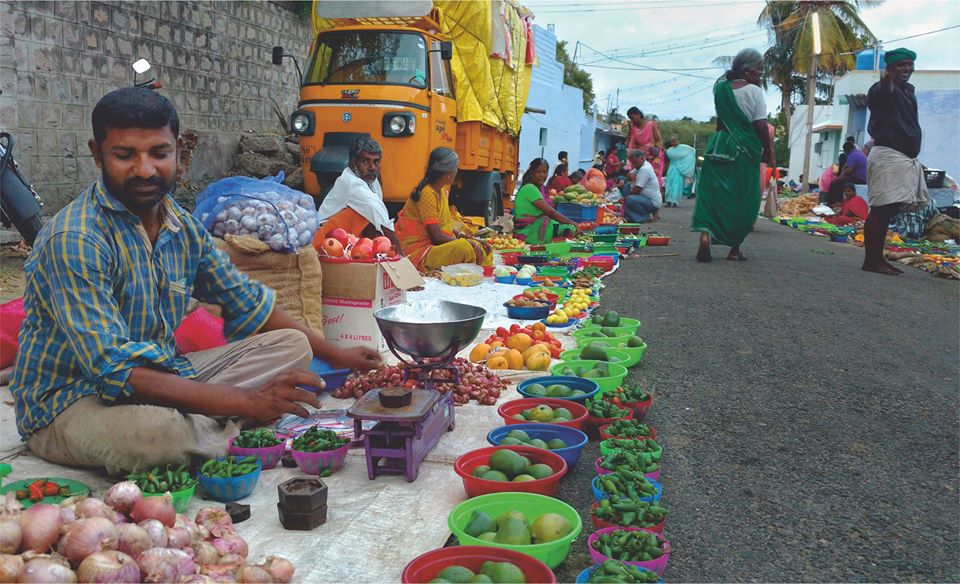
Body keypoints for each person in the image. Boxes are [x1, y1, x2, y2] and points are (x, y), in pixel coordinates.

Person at [9, 88, 382, 474]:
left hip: (163, 374)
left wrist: (336, 354)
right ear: (97, 153)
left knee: (292, 345)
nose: (145, 169)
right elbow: (115, 373)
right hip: (71, 400)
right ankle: (218, 428)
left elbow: (247, 300)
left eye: (158, 153)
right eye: (124, 155)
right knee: (154, 433)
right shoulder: (77, 239)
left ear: (178, 151)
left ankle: (206, 423)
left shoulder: (179, 225)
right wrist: (247, 402)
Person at [692, 48, 774, 262]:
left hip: (718, 145)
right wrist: (768, 151)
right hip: (743, 149)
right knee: (742, 197)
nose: (760, 74)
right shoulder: (754, 91)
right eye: (758, 69)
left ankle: (705, 235)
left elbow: (720, 123)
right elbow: (761, 125)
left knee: (712, 195)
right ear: (747, 70)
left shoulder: (720, 89)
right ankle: (734, 249)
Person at [862, 47, 929, 275]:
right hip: (889, 155)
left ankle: (877, 258)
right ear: (890, 69)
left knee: (888, 209)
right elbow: (882, 91)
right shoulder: (884, 89)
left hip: (901, 157)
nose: (907, 69)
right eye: (901, 65)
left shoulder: (907, 91)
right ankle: (871, 261)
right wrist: (886, 79)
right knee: (881, 209)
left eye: (909, 64)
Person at [395, 147, 492, 270]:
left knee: (481, 247)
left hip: (435, 246)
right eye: (455, 168)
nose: (457, 172)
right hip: (418, 251)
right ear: (448, 173)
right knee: (464, 249)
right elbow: (436, 237)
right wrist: (468, 243)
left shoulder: (441, 192)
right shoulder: (427, 193)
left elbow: (446, 228)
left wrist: (472, 239)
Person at [314, 137, 401, 251]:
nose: (372, 168)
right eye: (365, 161)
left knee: (370, 220)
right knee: (362, 215)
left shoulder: (371, 181)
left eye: (376, 162)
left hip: (345, 238)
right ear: (352, 162)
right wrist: (399, 253)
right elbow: (378, 216)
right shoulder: (351, 183)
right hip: (323, 240)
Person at [513, 158, 579, 244]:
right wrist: (574, 223)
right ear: (532, 173)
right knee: (568, 228)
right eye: (538, 172)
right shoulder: (529, 188)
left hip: (537, 226)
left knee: (567, 227)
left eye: (545, 172)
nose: (542, 175)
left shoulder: (542, 189)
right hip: (528, 231)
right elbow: (550, 212)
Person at [626, 107, 663, 186]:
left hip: (652, 158)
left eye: (632, 117)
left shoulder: (651, 124)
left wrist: (654, 150)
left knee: (651, 181)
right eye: (630, 119)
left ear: (638, 114)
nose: (632, 120)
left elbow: (658, 140)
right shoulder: (633, 128)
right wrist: (630, 128)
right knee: (640, 181)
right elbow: (630, 143)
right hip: (639, 159)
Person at [623, 148, 662, 223]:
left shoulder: (645, 169)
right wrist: (631, 176)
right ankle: (630, 215)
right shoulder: (641, 165)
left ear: (641, 158)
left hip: (652, 202)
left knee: (630, 199)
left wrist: (625, 198)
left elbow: (637, 188)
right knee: (627, 186)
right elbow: (629, 175)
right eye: (632, 163)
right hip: (646, 199)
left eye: (635, 163)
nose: (634, 165)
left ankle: (643, 217)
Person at [826, 141, 868, 205]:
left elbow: (849, 170)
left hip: (859, 178)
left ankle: (834, 202)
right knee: (841, 180)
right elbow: (846, 166)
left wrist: (841, 176)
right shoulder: (859, 153)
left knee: (835, 183)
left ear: (846, 150)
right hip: (863, 178)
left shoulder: (852, 155)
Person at [664, 137, 696, 207]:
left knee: (677, 185)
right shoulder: (670, 150)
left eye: (675, 141)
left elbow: (692, 150)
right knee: (669, 184)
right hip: (672, 168)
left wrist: (684, 162)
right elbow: (669, 155)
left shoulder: (684, 147)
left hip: (679, 170)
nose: (674, 143)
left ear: (678, 141)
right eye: (672, 141)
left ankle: (675, 202)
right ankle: (668, 201)